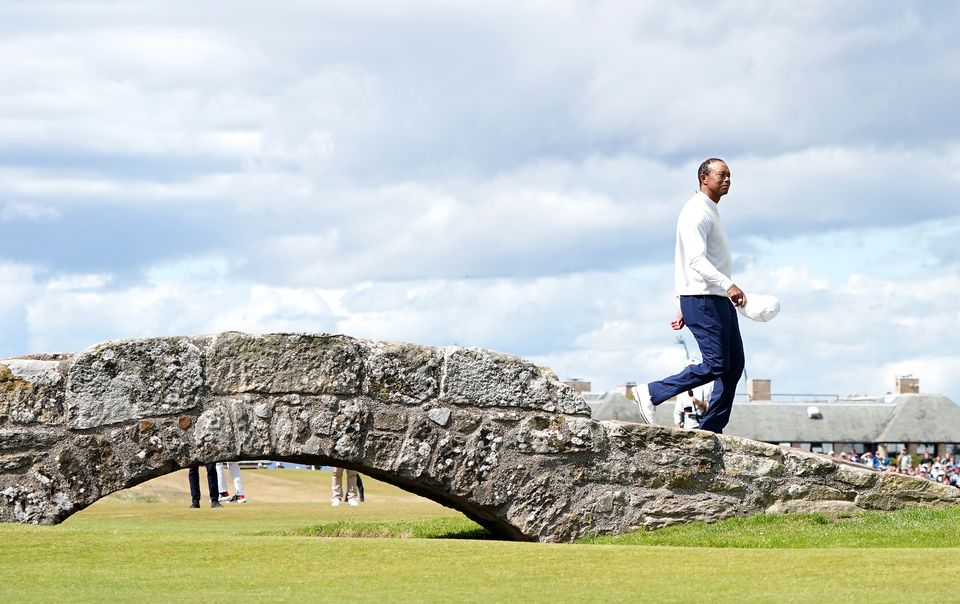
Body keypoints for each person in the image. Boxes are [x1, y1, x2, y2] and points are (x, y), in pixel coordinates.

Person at [633, 158, 747, 434]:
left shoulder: (710, 210)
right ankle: (650, 392)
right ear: (703, 178)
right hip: (705, 298)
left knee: (733, 366)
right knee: (717, 364)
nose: (728, 179)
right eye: (722, 174)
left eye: (730, 175)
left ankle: (710, 430)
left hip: (712, 297)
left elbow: (692, 260)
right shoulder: (696, 212)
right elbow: (695, 259)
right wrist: (728, 285)